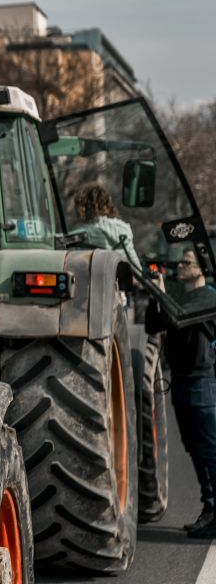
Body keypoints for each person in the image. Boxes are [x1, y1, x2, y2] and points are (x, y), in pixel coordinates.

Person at [149, 249, 216, 537]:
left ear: (201, 268)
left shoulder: (208, 298)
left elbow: (179, 318)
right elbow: (154, 325)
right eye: (180, 261)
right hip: (180, 382)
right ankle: (210, 508)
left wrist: (162, 293)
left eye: (186, 262)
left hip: (202, 383)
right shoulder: (179, 297)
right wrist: (155, 297)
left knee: (209, 451)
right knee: (194, 450)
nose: (180, 265)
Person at [73, 183, 142, 271]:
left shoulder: (79, 235)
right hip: (121, 278)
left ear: (83, 207)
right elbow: (136, 267)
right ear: (107, 203)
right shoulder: (124, 230)